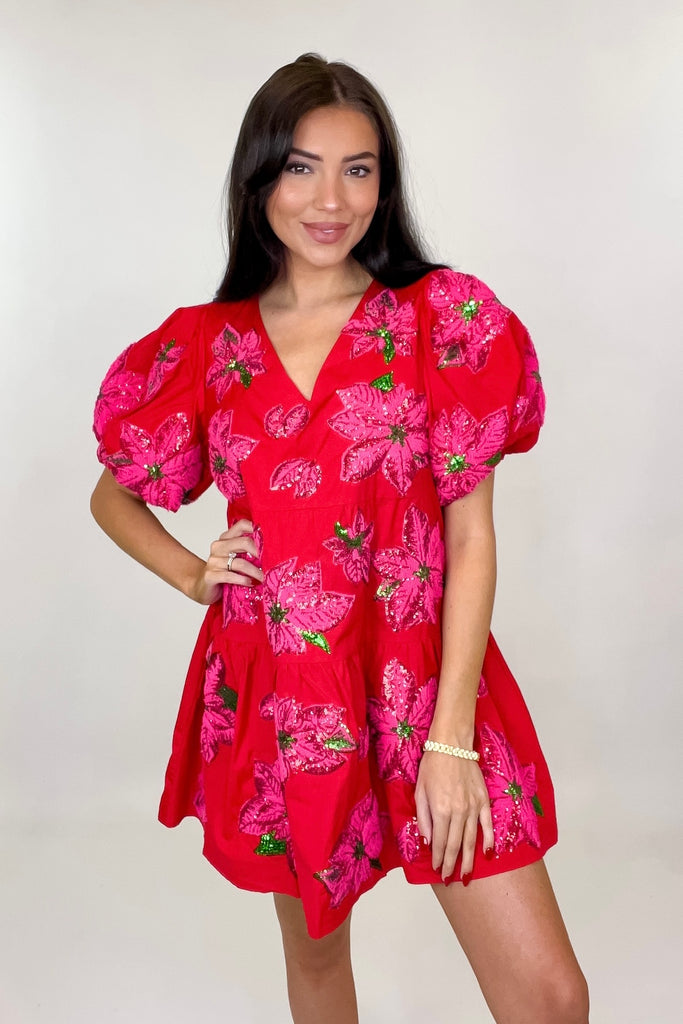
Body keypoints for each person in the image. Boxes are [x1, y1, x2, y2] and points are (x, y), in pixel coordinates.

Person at [91, 53, 589, 1024]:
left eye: (357, 170)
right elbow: (114, 497)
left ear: (383, 185)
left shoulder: (441, 321)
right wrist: (195, 576)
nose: (330, 200)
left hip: (428, 684)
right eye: (301, 168)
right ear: (259, 179)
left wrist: (449, 738)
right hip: (284, 689)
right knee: (318, 960)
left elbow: (470, 541)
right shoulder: (207, 345)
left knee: (547, 995)